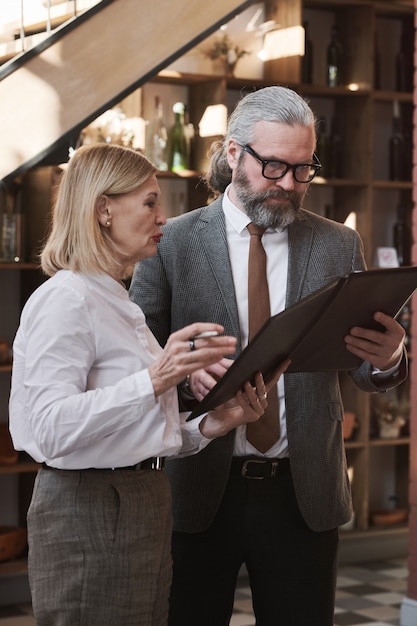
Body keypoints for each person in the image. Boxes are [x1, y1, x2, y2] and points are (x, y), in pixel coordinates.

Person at [129, 86, 408, 626]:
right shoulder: (172, 243)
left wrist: (391, 355)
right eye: (274, 166)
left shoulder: (337, 245)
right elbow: (139, 360)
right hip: (198, 486)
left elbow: (362, 366)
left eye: (304, 169)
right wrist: (182, 370)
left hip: (303, 490)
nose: (289, 184)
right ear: (234, 153)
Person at [8, 142, 288, 626]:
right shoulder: (66, 300)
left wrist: (214, 424)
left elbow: (136, 434)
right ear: (103, 210)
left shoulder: (121, 304)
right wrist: (158, 377)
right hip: (91, 507)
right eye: (150, 202)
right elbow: (50, 430)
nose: (164, 216)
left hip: (142, 500)